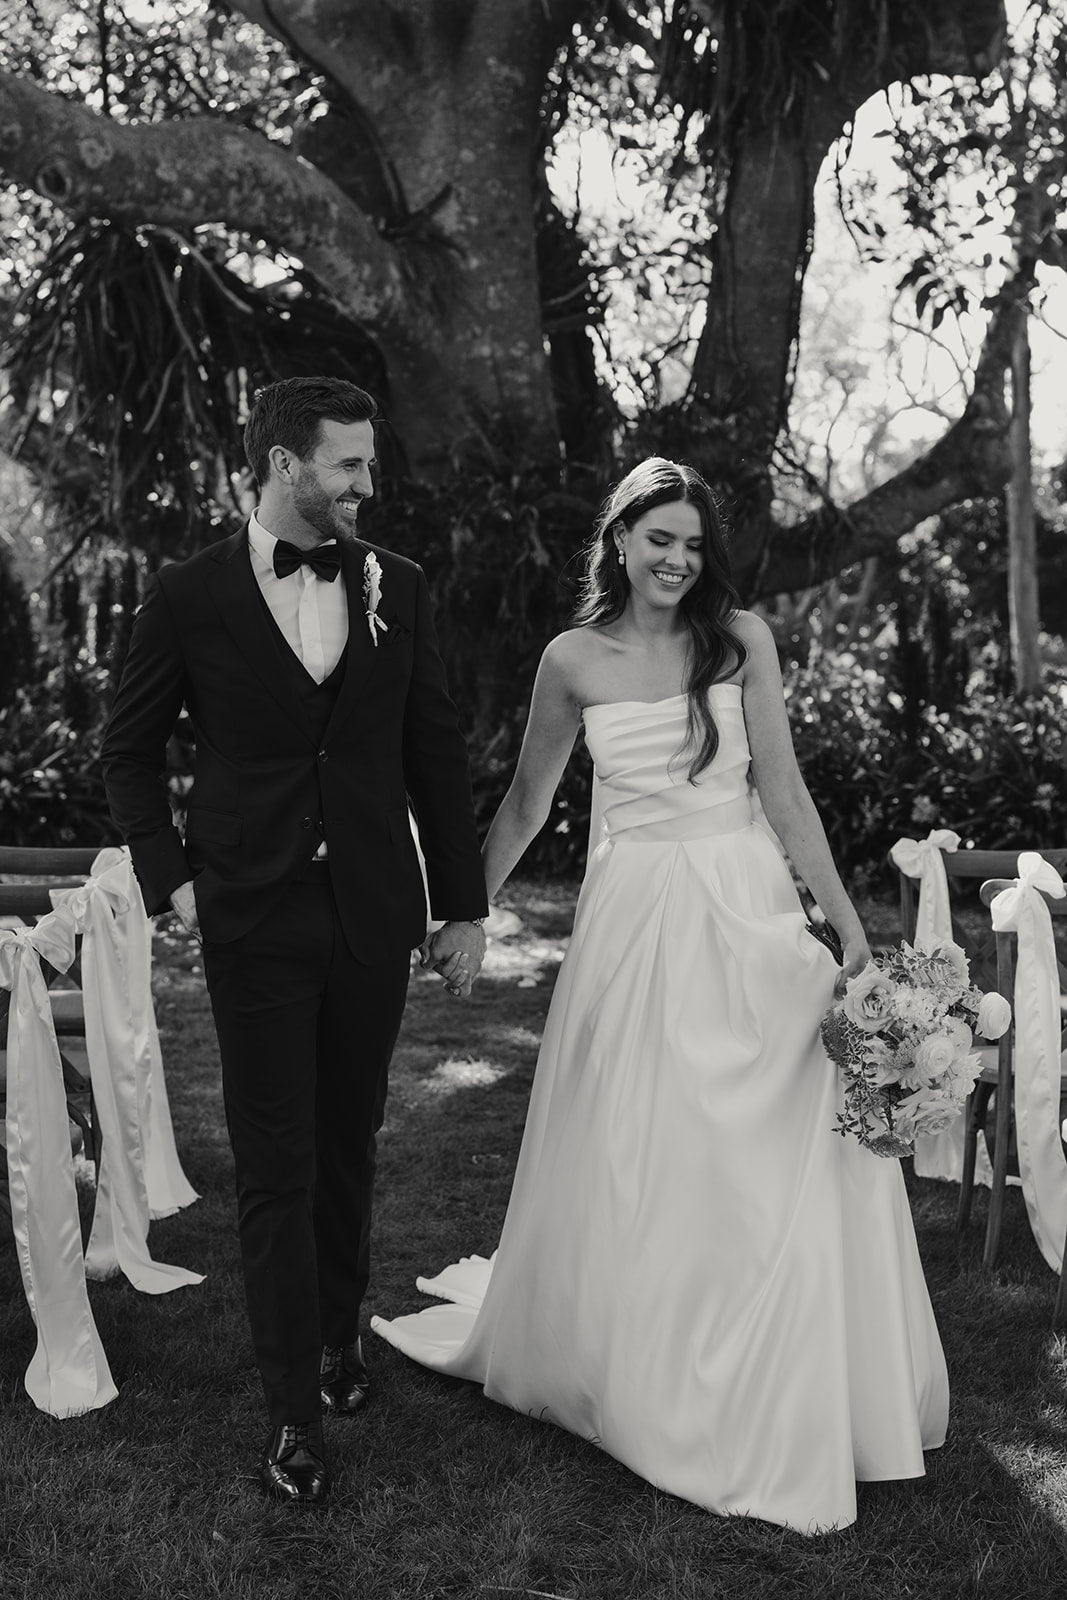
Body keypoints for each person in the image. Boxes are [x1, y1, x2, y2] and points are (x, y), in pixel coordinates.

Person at [372, 457, 949, 1534]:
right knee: (646, 1140)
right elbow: (528, 800)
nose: (677, 561)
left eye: (692, 543)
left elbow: (780, 791)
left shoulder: (741, 641)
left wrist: (854, 942)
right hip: (635, 921)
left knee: (765, 1135)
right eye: (658, 540)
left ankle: (770, 1365)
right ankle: (642, 1362)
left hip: (741, 905)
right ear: (620, 539)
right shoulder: (571, 658)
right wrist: (459, 909)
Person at [101, 377, 487, 1507]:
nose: (368, 485)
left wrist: (459, 906)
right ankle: (289, 1411)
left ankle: (336, 1336)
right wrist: (174, 882)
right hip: (251, 913)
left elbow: (435, 751)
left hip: (371, 905)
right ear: (283, 465)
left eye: (368, 465)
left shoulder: (397, 586)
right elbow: (125, 748)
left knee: (348, 1138)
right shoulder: (189, 594)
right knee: (274, 1162)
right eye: (349, 465)